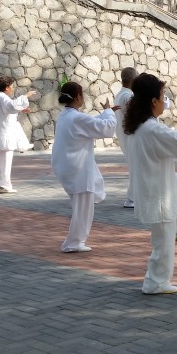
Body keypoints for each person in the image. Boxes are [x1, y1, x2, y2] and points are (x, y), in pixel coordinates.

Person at [124, 74, 177, 295]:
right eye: (162, 96)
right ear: (153, 101)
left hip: (156, 182)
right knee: (162, 243)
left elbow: (172, 142)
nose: (164, 100)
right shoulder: (150, 128)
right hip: (157, 189)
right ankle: (156, 282)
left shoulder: (142, 126)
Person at [51, 82, 119, 253]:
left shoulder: (65, 115)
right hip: (78, 169)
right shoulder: (76, 118)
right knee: (83, 208)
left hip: (70, 167)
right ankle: (73, 243)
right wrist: (109, 111)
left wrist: (107, 112)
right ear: (79, 97)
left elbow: (90, 122)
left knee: (82, 206)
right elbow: (107, 129)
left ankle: (75, 241)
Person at [0, 75, 35, 193]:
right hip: (4, 133)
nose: (12, 89)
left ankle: (3, 184)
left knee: (4, 160)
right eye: (11, 86)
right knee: (6, 160)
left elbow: (7, 109)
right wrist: (25, 96)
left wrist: (21, 109)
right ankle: (4, 186)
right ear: (7, 87)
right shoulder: (2, 97)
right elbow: (11, 106)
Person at [114, 67, 138, 208]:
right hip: (129, 136)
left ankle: (135, 197)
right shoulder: (127, 96)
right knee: (136, 168)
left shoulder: (121, 94)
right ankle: (131, 199)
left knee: (136, 167)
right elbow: (134, 114)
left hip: (125, 135)